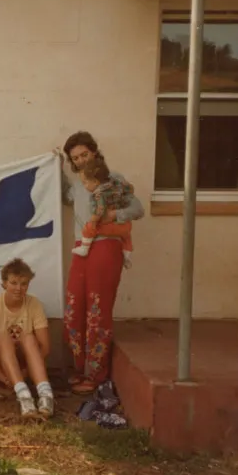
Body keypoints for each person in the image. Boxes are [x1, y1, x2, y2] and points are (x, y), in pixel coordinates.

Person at [58, 131, 144, 394]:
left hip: (106, 245)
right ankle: (79, 368)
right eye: (75, 158)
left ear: (94, 152)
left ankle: (95, 375)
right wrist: (55, 166)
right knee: (74, 306)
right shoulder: (78, 184)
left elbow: (137, 208)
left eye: (85, 154)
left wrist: (113, 214)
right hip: (81, 248)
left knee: (97, 308)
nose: (81, 161)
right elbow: (65, 195)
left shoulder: (112, 179)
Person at [0, 258, 54, 418]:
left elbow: (45, 347)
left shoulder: (34, 304)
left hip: (23, 369)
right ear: (4, 284)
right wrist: (5, 379)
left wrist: (25, 373)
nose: (18, 288)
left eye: (23, 284)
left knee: (29, 338)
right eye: (13, 283)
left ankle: (45, 394)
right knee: (4, 338)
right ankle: (24, 396)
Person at [75, 156, 134, 269]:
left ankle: (84, 248)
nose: (85, 186)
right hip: (125, 225)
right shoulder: (115, 185)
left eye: (86, 183)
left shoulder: (99, 193)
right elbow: (129, 189)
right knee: (127, 238)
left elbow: (100, 209)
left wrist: (93, 220)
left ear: (96, 181)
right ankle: (126, 257)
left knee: (89, 227)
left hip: (110, 226)